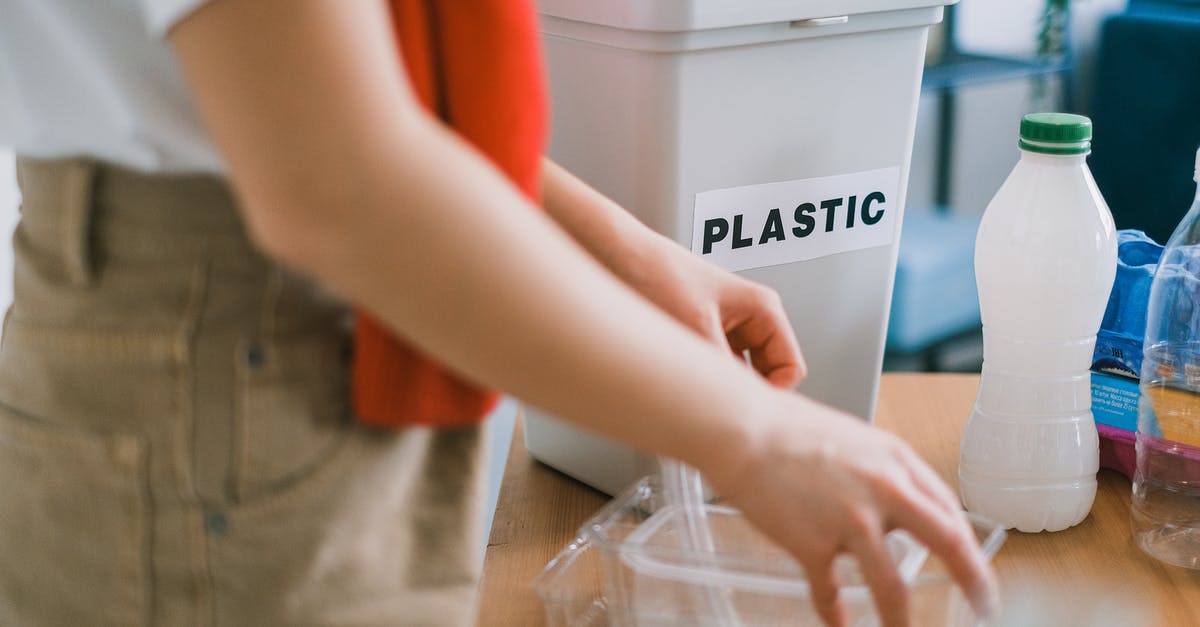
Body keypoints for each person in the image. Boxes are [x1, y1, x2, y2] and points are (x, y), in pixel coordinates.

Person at [0, 1, 998, 626]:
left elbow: (361, 106)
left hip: (299, 332)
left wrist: (627, 256)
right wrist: (751, 433)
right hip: (223, 358)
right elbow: (335, 178)